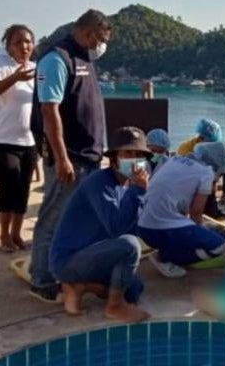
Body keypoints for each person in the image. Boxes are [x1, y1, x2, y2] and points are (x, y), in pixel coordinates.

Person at [28, 9, 113, 303]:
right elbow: (49, 110)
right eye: (100, 39)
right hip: (71, 158)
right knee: (53, 217)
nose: (101, 46)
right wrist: (62, 157)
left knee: (80, 219)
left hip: (89, 157)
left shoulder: (84, 59)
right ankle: (41, 279)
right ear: (88, 32)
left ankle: (70, 269)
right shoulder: (57, 60)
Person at [49, 127, 152, 322]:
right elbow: (117, 228)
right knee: (130, 246)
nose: (134, 159)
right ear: (114, 158)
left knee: (134, 289)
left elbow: (130, 227)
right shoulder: (99, 183)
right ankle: (114, 307)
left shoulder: (126, 185)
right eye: (127, 154)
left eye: (138, 155)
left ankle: (80, 287)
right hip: (69, 260)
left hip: (94, 254)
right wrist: (138, 192)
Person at [0, 24, 38, 253]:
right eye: (18, 42)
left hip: (28, 139)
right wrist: (15, 78)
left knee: (23, 188)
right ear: (8, 46)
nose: (24, 46)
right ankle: (4, 235)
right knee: (9, 183)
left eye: (28, 41)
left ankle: (16, 234)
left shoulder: (36, 68)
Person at [138, 142, 225, 278]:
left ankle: (167, 251)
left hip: (143, 228)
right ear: (216, 166)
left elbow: (178, 204)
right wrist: (201, 232)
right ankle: (165, 257)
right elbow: (196, 213)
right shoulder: (206, 172)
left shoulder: (174, 160)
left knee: (200, 234)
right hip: (162, 230)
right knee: (219, 245)